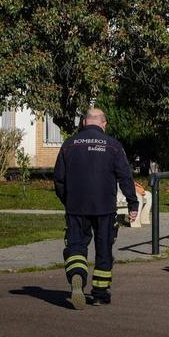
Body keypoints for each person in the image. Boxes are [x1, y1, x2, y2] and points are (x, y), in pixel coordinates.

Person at [53, 108, 139, 310]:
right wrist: (132, 203)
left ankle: (77, 275)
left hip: (76, 206)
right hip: (104, 207)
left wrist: (68, 200)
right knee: (104, 249)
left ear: (84, 122)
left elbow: (59, 179)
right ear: (104, 123)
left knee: (76, 245)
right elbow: (125, 176)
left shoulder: (69, 145)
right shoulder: (113, 146)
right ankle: (100, 293)